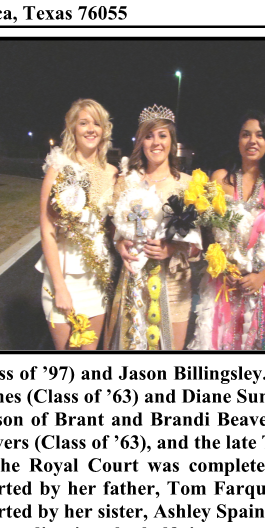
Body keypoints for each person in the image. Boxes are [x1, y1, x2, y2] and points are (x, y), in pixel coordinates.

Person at [191, 113, 265, 350]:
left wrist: (262, 276)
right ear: (238, 140)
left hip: (261, 287)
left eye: (260, 135)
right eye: (246, 134)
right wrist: (222, 268)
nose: (252, 141)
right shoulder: (220, 178)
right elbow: (207, 233)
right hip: (222, 285)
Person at [106, 106, 201, 350]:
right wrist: (120, 246)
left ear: (172, 141)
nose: (155, 142)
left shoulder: (188, 186)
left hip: (175, 287)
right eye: (148, 136)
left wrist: (172, 249)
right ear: (140, 142)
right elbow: (114, 230)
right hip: (134, 283)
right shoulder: (126, 182)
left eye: (162, 135)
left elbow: (197, 248)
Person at [37, 99, 116, 349]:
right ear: (73, 128)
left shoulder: (114, 173)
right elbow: (47, 231)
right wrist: (60, 287)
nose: (91, 129)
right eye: (84, 123)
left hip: (96, 281)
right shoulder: (58, 170)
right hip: (63, 278)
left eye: (97, 123)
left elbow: (114, 227)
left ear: (104, 130)